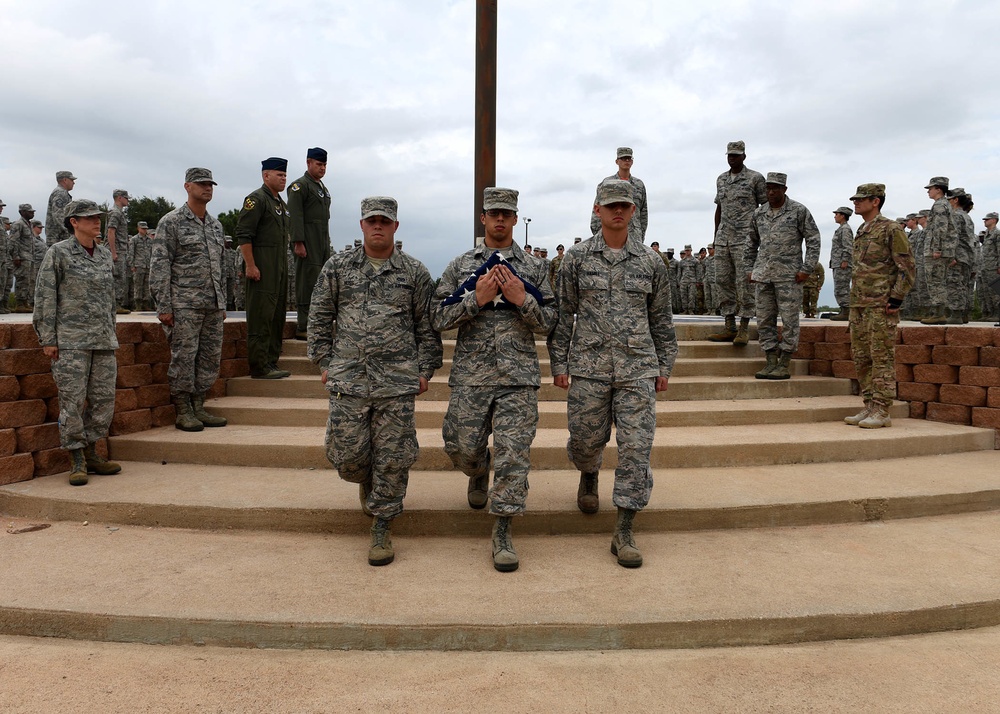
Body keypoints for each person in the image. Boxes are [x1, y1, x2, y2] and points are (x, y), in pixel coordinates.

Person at [307, 196, 442, 567]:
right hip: (348, 379)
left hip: (397, 382)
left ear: (396, 226)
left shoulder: (413, 272)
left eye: (385, 220)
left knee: (393, 457)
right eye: (372, 220)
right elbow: (319, 316)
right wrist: (323, 361)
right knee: (349, 457)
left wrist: (425, 370)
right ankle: (365, 479)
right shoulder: (338, 267)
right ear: (362, 225)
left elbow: (426, 327)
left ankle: (382, 524)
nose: (378, 226)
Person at [550, 179, 677, 568]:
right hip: (588, 368)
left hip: (637, 367)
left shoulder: (652, 262)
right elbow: (561, 316)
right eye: (610, 206)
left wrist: (664, 365)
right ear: (597, 211)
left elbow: (661, 320)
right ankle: (588, 472)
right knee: (586, 440)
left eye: (624, 205)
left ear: (633, 211)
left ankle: (623, 528)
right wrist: (559, 363)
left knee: (637, 448)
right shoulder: (576, 259)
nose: (617, 211)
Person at [431, 187, 557, 572]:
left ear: (516, 219)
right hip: (471, 376)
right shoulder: (460, 266)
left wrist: (522, 300)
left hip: (518, 378)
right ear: (482, 218)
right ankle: (477, 471)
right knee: (462, 448)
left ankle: (503, 529)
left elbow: (550, 322)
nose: (500, 219)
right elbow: (437, 318)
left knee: (513, 455)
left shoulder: (534, 269)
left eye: (507, 213)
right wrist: (476, 298)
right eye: (493, 213)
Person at [32, 199, 121, 486]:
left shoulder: (105, 254)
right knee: (72, 401)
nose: (97, 221)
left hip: (103, 340)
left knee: (103, 399)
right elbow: (45, 297)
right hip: (71, 342)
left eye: (98, 217)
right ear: (74, 222)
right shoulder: (58, 253)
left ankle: (93, 452)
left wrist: (112, 329)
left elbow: (110, 299)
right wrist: (48, 338)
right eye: (90, 217)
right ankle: (77, 458)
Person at [150, 168, 229, 432]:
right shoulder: (171, 222)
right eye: (201, 184)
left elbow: (220, 266)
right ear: (187, 186)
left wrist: (222, 303)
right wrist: (164, 306)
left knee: (209, 357)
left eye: (210, 184)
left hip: (212, 305)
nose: (207, 188)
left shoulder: (216, 225)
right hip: (184, 304)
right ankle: (183, 410)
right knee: (184, 357)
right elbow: (160, 265)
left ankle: (199, 405)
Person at [843, 184, 915, 428]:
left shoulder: (891, 228)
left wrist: (896, 299)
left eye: (861, 199)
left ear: (876, 201)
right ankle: (869, 405)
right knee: (862, 357)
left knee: (881, 357)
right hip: (860, 304)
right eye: (855, 199)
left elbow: (907, 267)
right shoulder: (862, 229)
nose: (856, 203)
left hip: (880, 305)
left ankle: (882, 410)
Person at [743, 172, 821, 380]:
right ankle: (770, 361)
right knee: (764, 320)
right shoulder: (758, 214)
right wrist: (748, 269)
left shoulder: (798, 211)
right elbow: (751, 243)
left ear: (784, 189)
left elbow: (813, 239)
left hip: (789, 276)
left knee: (789, 320)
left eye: (775, 188)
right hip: (763, 275)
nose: (770, 192)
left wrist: (807, 268)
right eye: (768, 188)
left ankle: (784, 362)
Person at [237, 157, 292, 379]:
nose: (284, 179)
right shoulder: (256, 200)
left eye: (285, 175)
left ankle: (271, 362)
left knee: (276, 316)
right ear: (265, 175)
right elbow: (244, 234)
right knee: (261, 316)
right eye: (280, 175)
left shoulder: (281, 204)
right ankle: (259, 366)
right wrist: (250, 265)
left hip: (278, 270)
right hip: (262, 269)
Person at [708, 140, 767, 344]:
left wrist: (762, 235)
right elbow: (719, 208)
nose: (732, 158)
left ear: (744, 156)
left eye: (736, 155)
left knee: (745, 283)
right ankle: (729, 325)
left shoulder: (755, 179)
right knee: (722, 281)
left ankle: (744, 327)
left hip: (745, 239)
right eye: (729, 155)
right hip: (724, 238)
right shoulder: (721, 179)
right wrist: (716, 236)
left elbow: (765, 208)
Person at [287, 147, 332, 340]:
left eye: (324, 165)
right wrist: (298, 242)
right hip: (307, 241)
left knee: (322, 283)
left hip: (322, 241)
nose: (322, 168)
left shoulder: (322, 188)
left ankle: (319, 324)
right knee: (306, 282)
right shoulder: (300, 186)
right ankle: (303, 325)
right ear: (308, 163)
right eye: (319, 164)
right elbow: (295, 216)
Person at [589, 147, 648, 241]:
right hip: (611, 234)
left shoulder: (639, 185)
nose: (627, 161)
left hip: (634, 235)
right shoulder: (607, 183)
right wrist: (599, 234)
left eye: (629, 158)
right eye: (624, 158)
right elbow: (598, 209)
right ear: (617, 161)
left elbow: (643, 213)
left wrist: (640, 234)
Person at [920, 177, 954, 325]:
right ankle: (939, 311)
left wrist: (937, 249)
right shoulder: (943, 204)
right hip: (938, 248)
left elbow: (940, 229)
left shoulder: (940, 205)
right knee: (937, 280)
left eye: (931, 188)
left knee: (935, 280)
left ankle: (938, 313)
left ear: (938, 189)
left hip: (936, 249)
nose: (928, 191)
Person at [106, 189, 131, 314]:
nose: (128, 201)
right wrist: (113, 252)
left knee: (120, 277)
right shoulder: (115, 213)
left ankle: (116, 304)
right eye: (126, 198)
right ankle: (115, 305)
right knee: (117, 277)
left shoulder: (119, 213)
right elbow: (111, 231)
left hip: (121, 249)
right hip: (117, 250)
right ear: (120, 198)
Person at [828, 207, 854, 320]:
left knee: (842, 287)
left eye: (837, 214)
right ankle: (844, 310)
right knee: (839, 287)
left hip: (842, 264)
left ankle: (846, 311)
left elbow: (848, 246)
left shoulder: (845, 229)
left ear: (843, 215)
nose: (835, 216)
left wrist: (845, 260)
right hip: (837, 263)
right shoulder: (841, 229)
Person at [9, 203, 36, 312]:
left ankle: (25, 303)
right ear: (22, 212)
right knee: (21, 280)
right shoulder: (18, 224)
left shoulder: (28, 224)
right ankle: (20, 304)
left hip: (29, 257)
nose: (32, 213)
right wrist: (15, 256)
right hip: (22, 257)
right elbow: (13, 240)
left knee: (28, 281)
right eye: (30, 211)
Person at [45, 171, 75, 247]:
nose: (73, 183)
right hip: (58, 237)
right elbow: (58, 215)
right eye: (72, 180)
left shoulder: (62, 192)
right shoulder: (60, 193)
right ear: (65, 180)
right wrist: (70, 231)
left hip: (59, 237)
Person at [128, 221, 153, 310]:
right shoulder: (134, 239)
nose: (144, 230)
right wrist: (132, 265)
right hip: (138, 266)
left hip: (148, 266)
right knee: (138, 286)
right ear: (138, 228)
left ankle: (146, 304)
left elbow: (152, 253)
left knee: (147, 286)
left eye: (145, 228)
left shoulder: (150, 240)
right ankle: (138, 305)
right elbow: (131, 253)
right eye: (142, 228)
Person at [981, 212, 999, 325]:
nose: (985, 221)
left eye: (987, 219)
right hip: (985, 267)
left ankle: (998, 313)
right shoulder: (987, 234)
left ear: (994, 220)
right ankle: (991, 312)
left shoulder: (997, 234)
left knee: (996, 291)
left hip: (994, 267)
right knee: (986, 291)